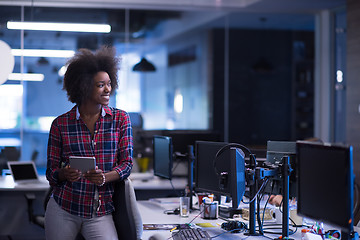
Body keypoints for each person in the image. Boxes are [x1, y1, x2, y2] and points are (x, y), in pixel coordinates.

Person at [45, 46, 133, 240]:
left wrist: (105, 177)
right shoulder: (60, 124)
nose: (108, 89)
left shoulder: (120, 119)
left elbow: (127, 165)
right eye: (101, 85)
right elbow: (51, 173)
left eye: (109, 83)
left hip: (100, 212)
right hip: (64, 208)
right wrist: (63, 173)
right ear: (83, 86)